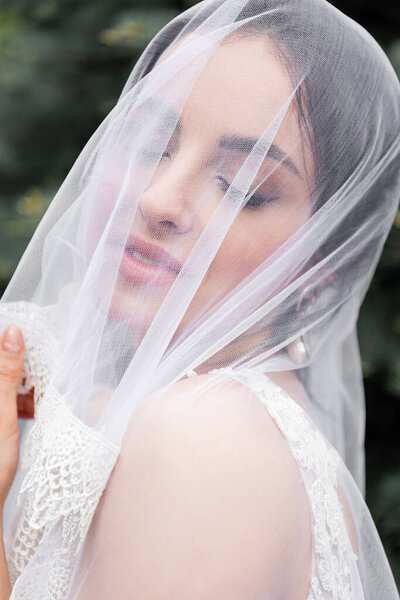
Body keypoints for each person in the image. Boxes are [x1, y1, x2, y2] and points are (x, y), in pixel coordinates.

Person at [0, 0, 399, 597]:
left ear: (323, 266)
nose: (160, 200)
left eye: (242, 187)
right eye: (152, 143)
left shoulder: (210, 440)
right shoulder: (69, 384)